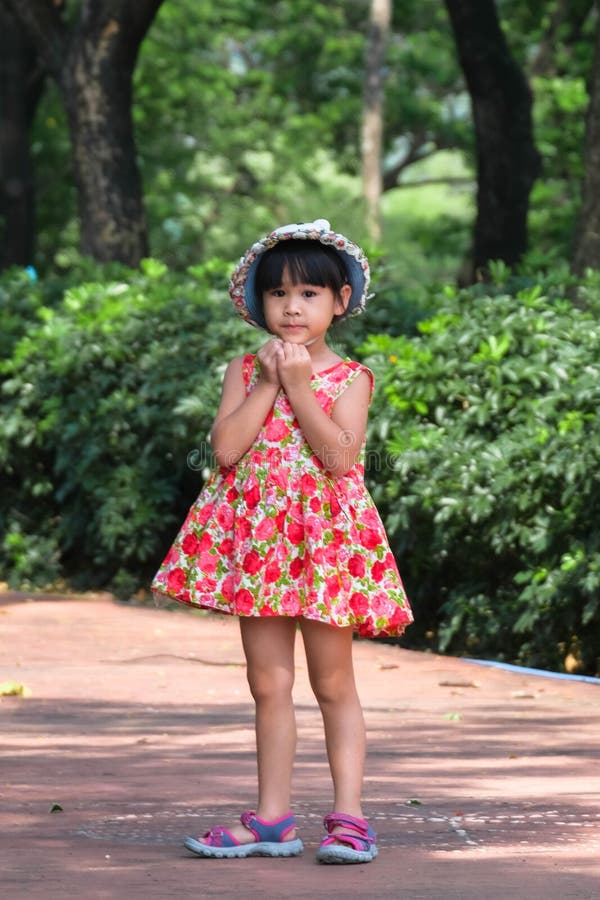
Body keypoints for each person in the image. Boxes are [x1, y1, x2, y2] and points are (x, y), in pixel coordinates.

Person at [151, 219, 413, 863]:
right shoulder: (245, 368)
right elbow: (223, 449)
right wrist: (269, 383)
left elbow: (340, 458)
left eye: (310, 295)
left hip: (323, 546)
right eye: (279, 295)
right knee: (267, 682)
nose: (292, 308)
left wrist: (298, 385)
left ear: (340, 302)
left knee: (333, 683)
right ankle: (272, 819)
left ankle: (349, 816)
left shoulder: (351, 378)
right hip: (262, 546)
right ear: (258, 303)